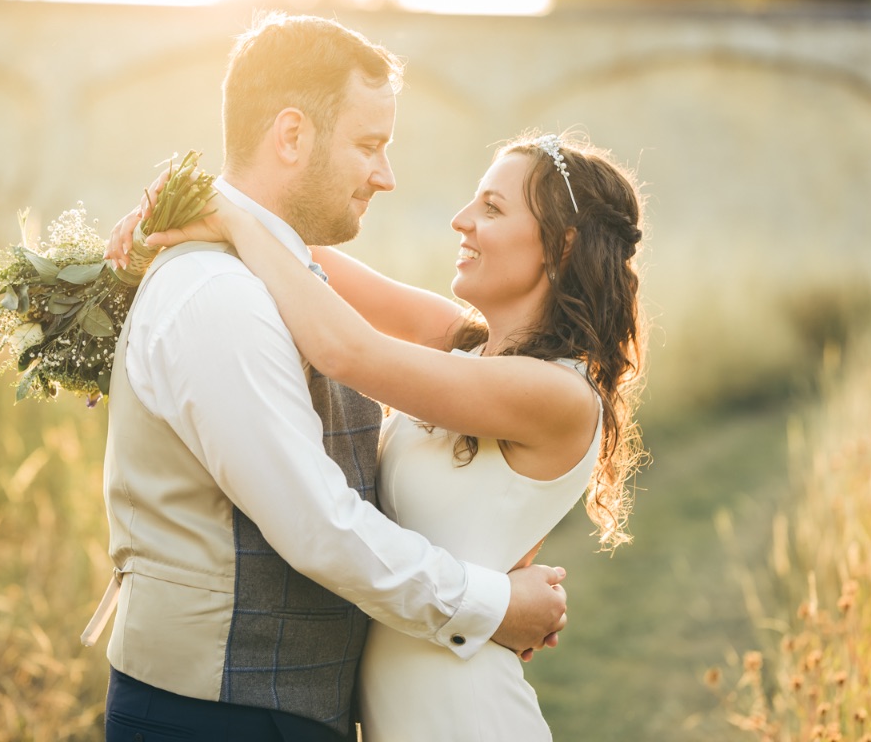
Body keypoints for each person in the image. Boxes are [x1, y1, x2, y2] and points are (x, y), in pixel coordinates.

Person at [93, 13, 570, 742]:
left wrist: (226, 213)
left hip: (278, 709)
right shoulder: (221, 297)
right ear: (291, 136)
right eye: (370, 145)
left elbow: (405, 335)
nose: (386, 173)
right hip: (214, 716)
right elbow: (318, 527)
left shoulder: (286, 277)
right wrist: (491, 604)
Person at [139, 130, 648, 740]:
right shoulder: (462, 342)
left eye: (492, 208)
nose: (461, 220)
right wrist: (181, 211)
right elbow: (304, 259)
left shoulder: (558, 395)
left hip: (466, 716)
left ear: (561, 248)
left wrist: (229, 216)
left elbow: (345, 351)